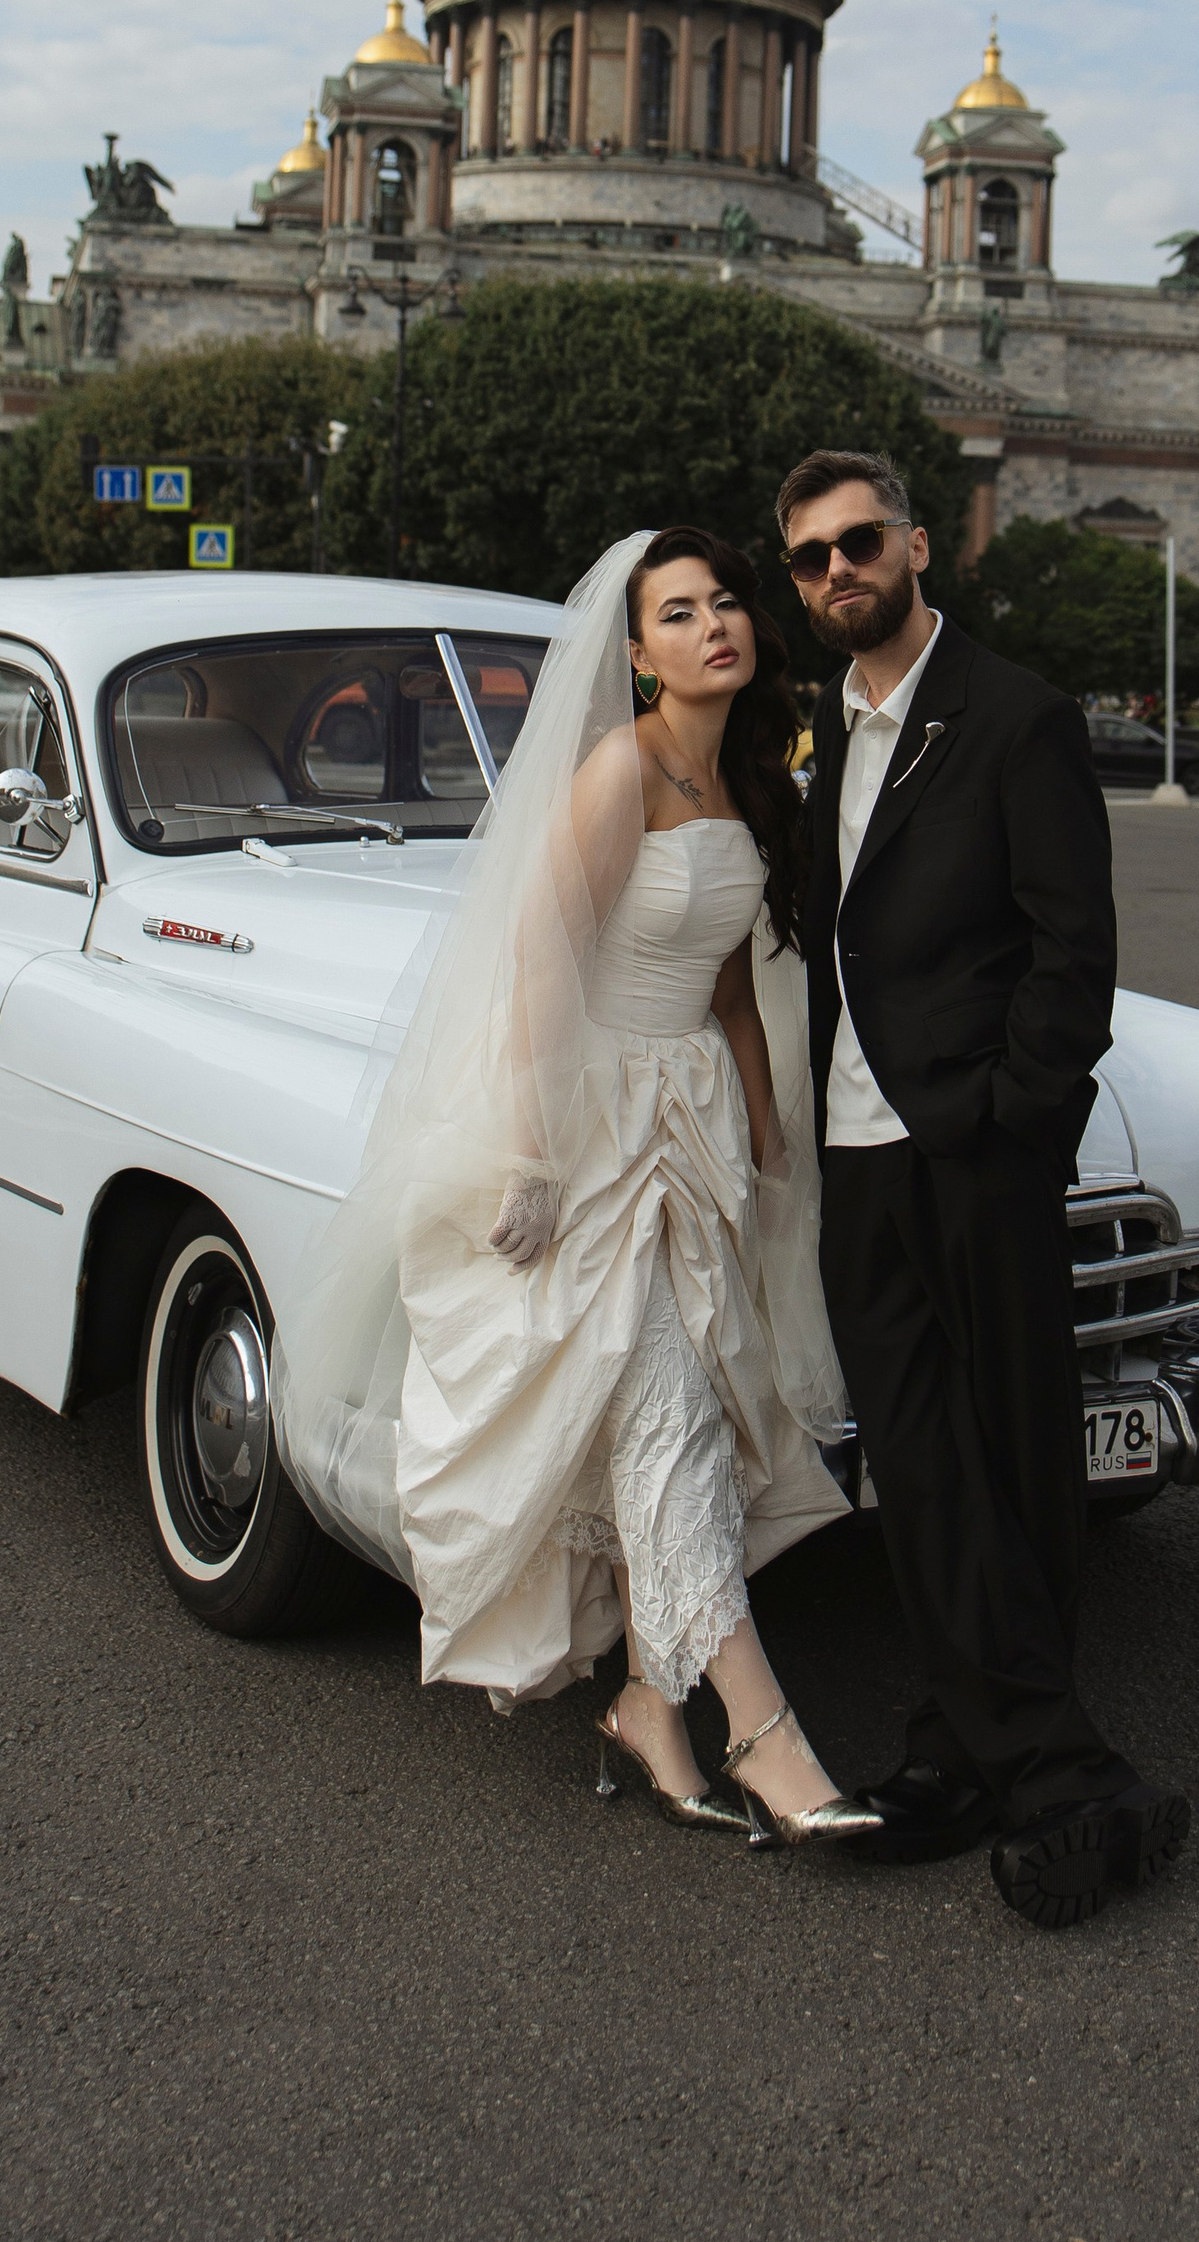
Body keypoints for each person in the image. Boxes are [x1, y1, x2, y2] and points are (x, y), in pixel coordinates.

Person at [271, 526, 872, 1850]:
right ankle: (770, 1739)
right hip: (590, 1119)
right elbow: (542, 957)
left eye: (725, 602)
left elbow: (726, 973)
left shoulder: (747, 780)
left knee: (694, 1410)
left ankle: (652, 1707)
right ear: (638, 649)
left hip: (694, 1112)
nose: (713, 624)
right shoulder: (622, 767)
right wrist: (534, 1148)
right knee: (662, 1415)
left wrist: (768, 1127)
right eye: (677, 611)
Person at [776, 446, 1188, 1934]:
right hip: (852, 1151)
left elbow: (1073, 948)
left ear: (920, 545)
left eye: (860, 542)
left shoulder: (1014, 716)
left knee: (1010, 1458)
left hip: (972, 1148)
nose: (839, 573)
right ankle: (1031, 1767)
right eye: (812, 556)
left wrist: (1019, 1119)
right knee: (922, 1466)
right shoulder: (816, 721)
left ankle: (998, 1766)